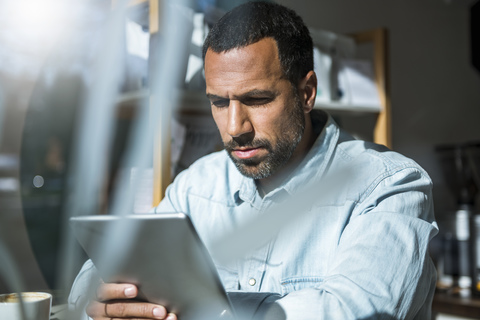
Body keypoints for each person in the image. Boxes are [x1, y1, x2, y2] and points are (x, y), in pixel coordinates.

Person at [69, 2, 438, 319]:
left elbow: (349, 313)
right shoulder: (196, 186)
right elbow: (100, 271)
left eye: (257, 99)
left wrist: (206, 309)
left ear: (306, 93)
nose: (234, 128)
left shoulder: (391, 186)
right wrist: (106, 300)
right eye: (218, 102)